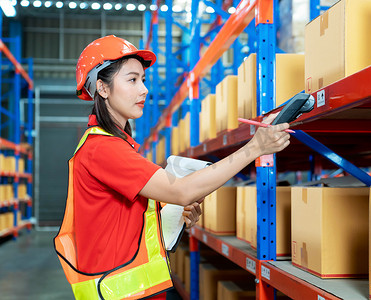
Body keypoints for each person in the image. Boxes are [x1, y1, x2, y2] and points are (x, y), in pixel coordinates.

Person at [54, 35, 291, 300]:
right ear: (103, 88)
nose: (144, 89)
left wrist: (169, 215)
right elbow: (181, 191)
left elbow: (120, 219)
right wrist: (255, 148)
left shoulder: (115, 146)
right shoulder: (103, 149)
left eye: (143, 80)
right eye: (132, 79)